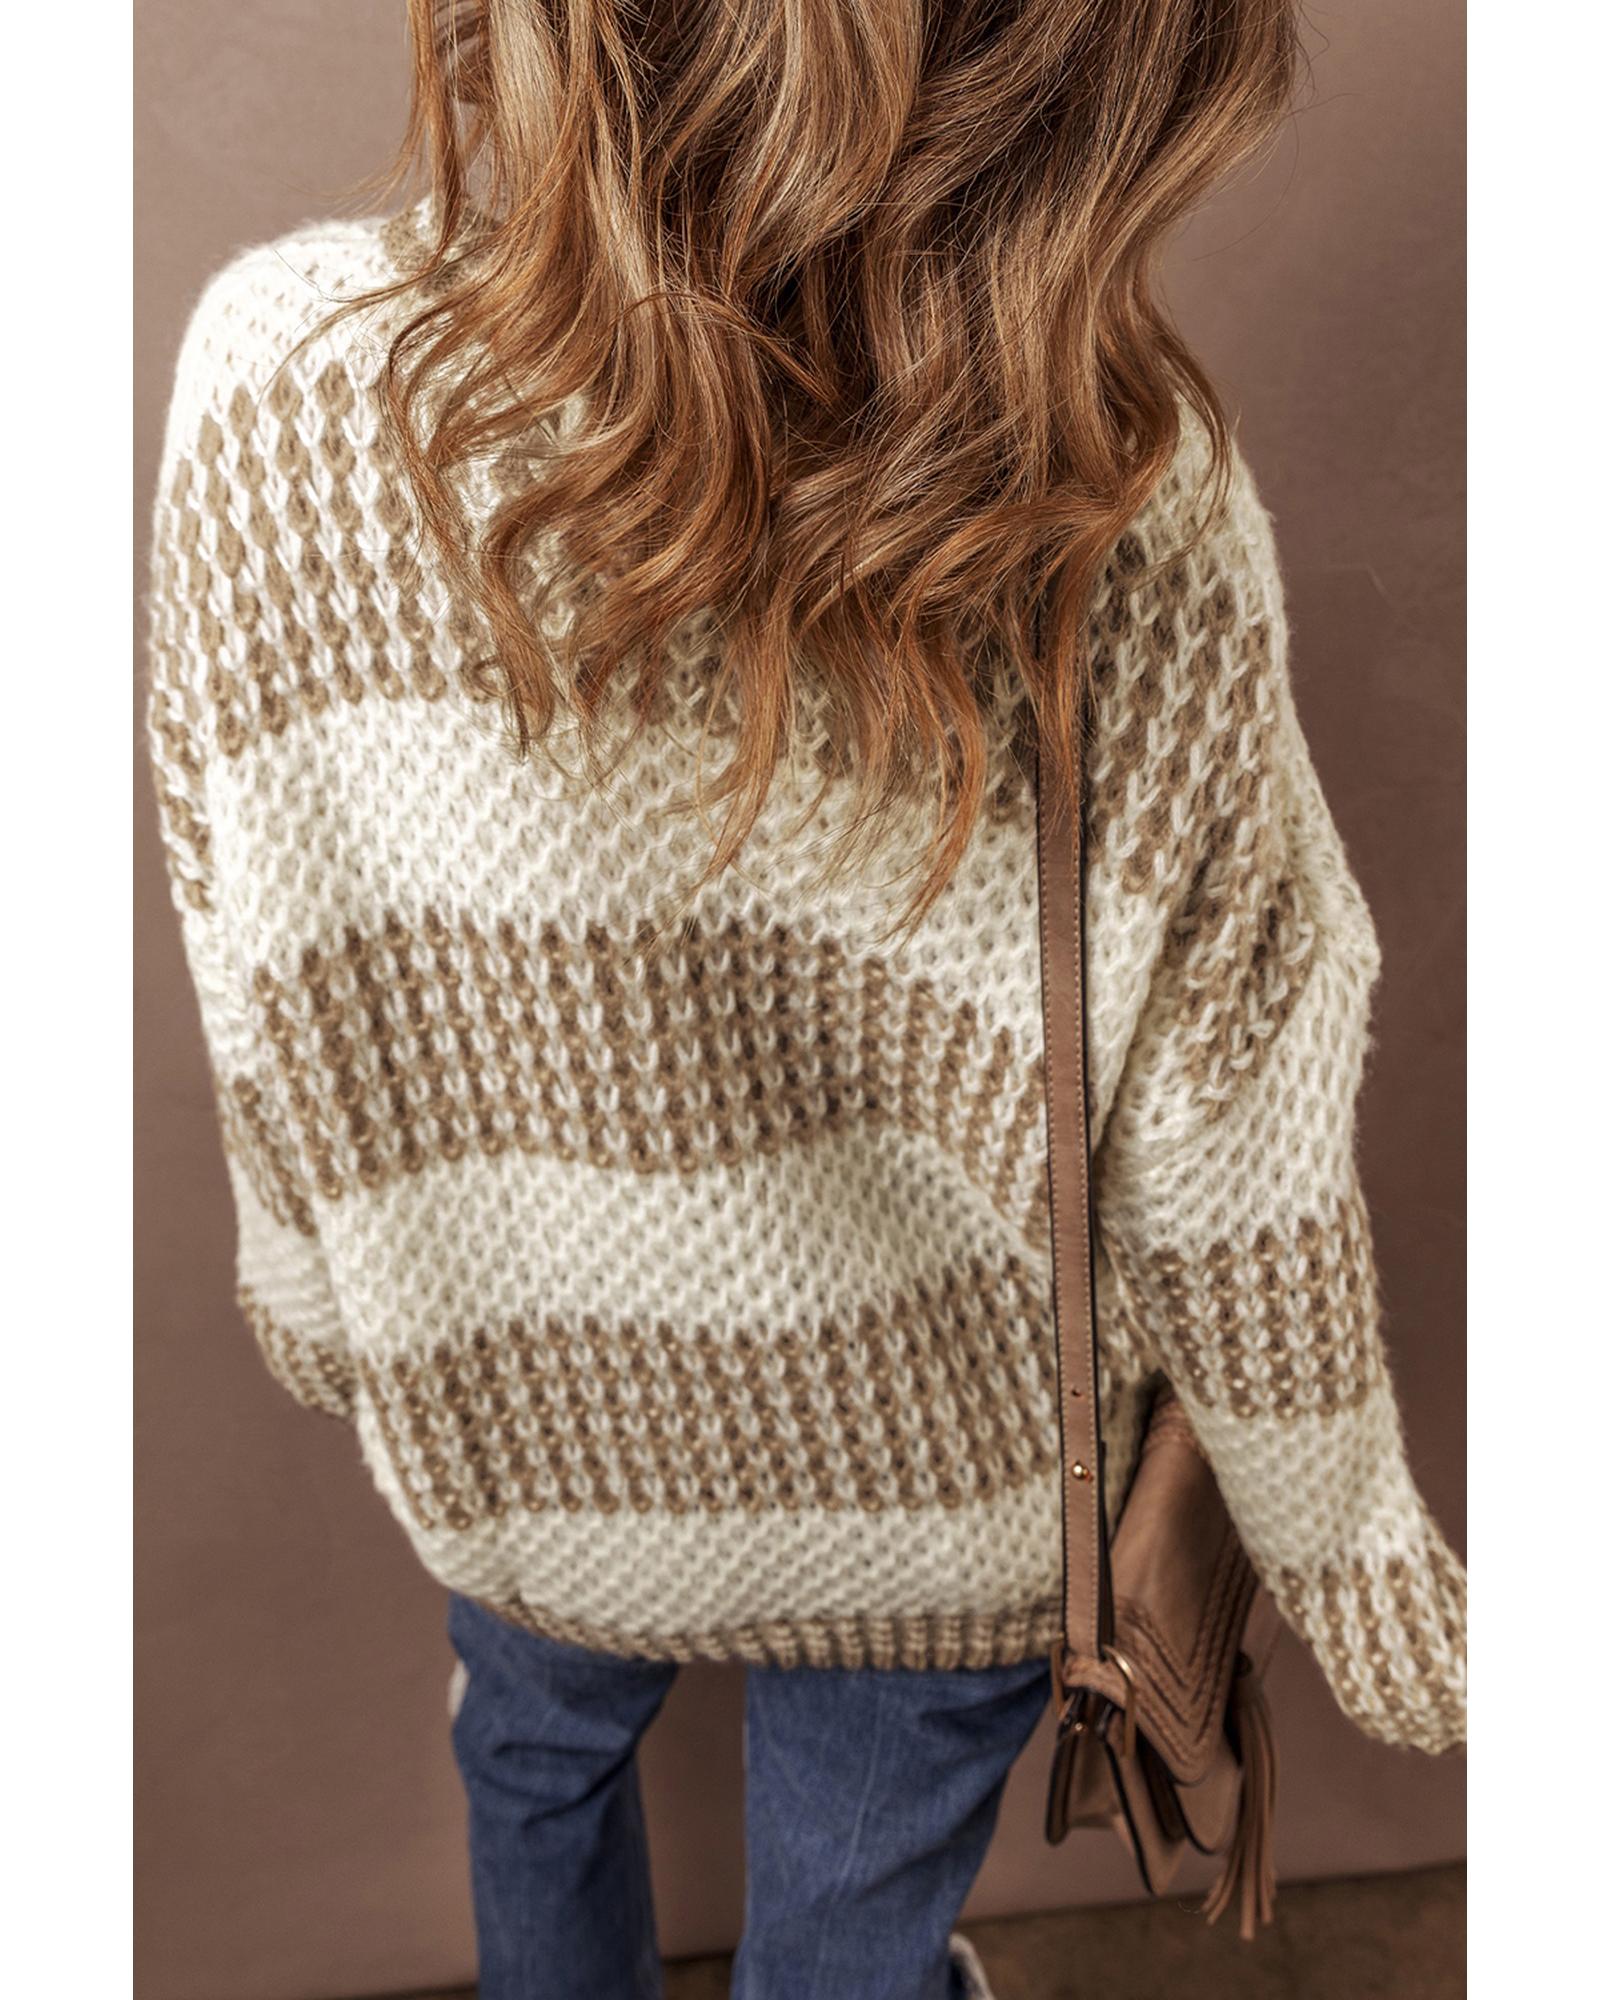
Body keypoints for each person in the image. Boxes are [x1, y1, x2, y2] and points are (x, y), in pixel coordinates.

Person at [144, 3, 1466, 1995]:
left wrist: (314, 1294)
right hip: (945, 1475)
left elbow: (245, 921)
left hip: (521, 1411)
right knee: (847, 1944)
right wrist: (1371, 1585)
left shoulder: (276, 377)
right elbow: (1234, 1134)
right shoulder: (1114, 497)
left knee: (530, 1767)